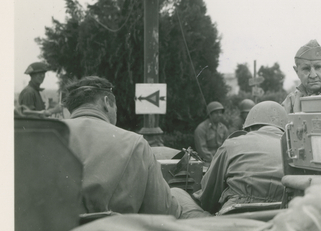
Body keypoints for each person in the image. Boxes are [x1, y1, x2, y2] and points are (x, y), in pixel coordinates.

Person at [62, 76, 199, 218]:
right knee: (180, 195)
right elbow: (162, 211)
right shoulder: (135, 143)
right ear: (106, 102)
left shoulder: (44, 137)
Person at [192, 101, 287, 215]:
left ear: (249, 126)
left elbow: (208, 196)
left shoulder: (232, 143)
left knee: (178, 194)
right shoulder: (295, 149)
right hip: (280, 216)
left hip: (233, 218)